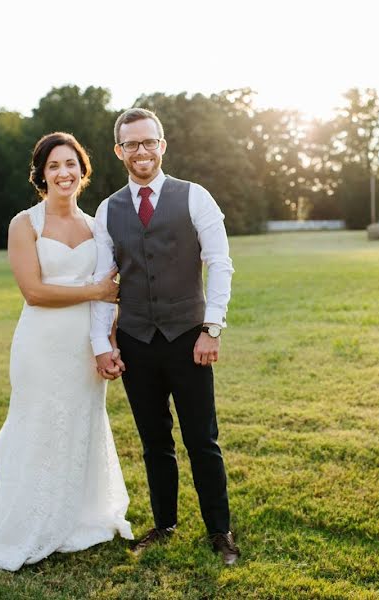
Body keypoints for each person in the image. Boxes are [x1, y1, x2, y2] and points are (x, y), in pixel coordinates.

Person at [90, 108, 240, 565]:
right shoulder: (107, 209)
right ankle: (165, 522)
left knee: (202, 439)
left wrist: (211, 328)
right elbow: (103, 279)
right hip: (136, 339)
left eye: (148, 141)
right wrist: (102, 343)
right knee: (155, 440)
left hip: (188, 337)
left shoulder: (195, 197)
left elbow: (220, 263)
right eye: (131, 144)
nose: (141, 150)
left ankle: (220, 530)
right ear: (119, 151)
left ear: (162, 145)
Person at [0, 132, 134, 571]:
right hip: (40, 344)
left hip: (85, 346)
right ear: (41, 175)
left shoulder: (96, 226)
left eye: (71, 164)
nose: (63, 173)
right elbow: (32, 291)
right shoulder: (24, 224)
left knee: (80, 424)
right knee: (39, 423)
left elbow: (112, 299)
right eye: (53, 166)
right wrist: (97, 290)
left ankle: (78, 515)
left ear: (82, 171)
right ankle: (28, 518)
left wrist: (110, 345)